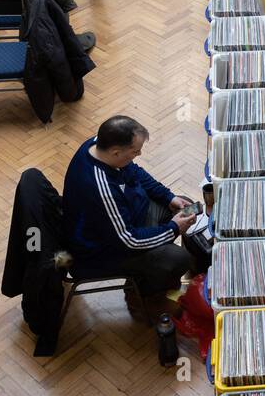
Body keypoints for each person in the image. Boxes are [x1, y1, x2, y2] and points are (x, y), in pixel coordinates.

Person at [62, 116, 196, 324]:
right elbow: (128, 241)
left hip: (127, 220)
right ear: (116, 152)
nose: (139, 154)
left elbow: (135, 172)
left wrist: (168, 197)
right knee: (177, 258)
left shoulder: (99, 145)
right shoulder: (101, 189)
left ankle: (155, 276)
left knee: (184, 206)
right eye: (135, 151)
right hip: (103, 252)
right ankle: (144, 297)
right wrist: (172, 229)